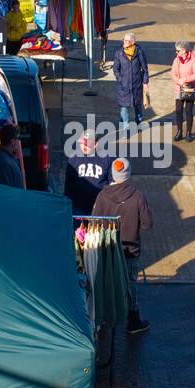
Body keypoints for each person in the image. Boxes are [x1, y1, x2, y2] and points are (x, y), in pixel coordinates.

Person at [91, 156, 152, 334]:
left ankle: (103, 318)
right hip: (130, 250)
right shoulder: (138, 197)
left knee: (106, 280)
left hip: (108, 249)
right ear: (128, 174)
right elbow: (147, 225)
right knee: (130, 283)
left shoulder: (102, 195)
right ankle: (133, 321)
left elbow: (94, 221)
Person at [65, 131, 110, 214]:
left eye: (87, 145)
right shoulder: (74, 159)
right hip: (78, 207)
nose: (84, 147)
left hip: (99, 207)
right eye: (82, 144)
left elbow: (111, 183)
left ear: (96, 144)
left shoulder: (106, 159)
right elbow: (68, 185)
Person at [112, 32, 150, 129]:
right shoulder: (119, 53)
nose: (124, 42)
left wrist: (145, 82)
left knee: (138, 108)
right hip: (124, 87)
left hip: (137, 86)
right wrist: (121, 80)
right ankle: (124, 129)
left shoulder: (139, 52)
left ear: (132, 42)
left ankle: (139, 124)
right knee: (124, 109)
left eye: (127, 41)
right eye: (124, 40)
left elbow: (145, 69)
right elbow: (116, 69)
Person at [170, 40, 195, 142]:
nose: (176, 52)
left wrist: (185, 80)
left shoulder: (193, 59)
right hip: (179, 88)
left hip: (190, 89)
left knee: (188, 111)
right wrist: (179, 81)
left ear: (184, 50)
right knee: (178, 111)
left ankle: (189, 133)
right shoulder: (176, 60)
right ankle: (179, 131)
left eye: (178, 50)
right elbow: (173, 74)